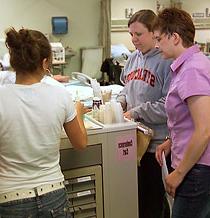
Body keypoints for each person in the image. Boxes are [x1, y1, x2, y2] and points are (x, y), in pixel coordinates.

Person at [0, 28, 88, 217]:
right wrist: (78, 111)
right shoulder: (61, 95)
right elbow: (80, 143)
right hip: (53, 194)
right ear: (45, 62)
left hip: (10, 197)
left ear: (13, 62)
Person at [154, 7, 210, 218]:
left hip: (197, 170)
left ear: (175, 37)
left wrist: (178, 174)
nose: (157, 44)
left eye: (160, 38)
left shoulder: (192, 70)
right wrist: (172, 141)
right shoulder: (191, 65)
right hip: (194, 163)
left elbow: (204, 129)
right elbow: (191, 119)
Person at [116, 9, 172, 218]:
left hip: (156, 146)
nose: (134, 39)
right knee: (136, 200)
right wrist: (120, 101)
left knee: (154, 204)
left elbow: (169, 105)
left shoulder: (166, 61)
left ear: (153, 32)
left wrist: (137, 112)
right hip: (133, 143)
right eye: (131, 34)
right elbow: (126, 87)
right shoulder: (132, 58)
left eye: (138, 34)